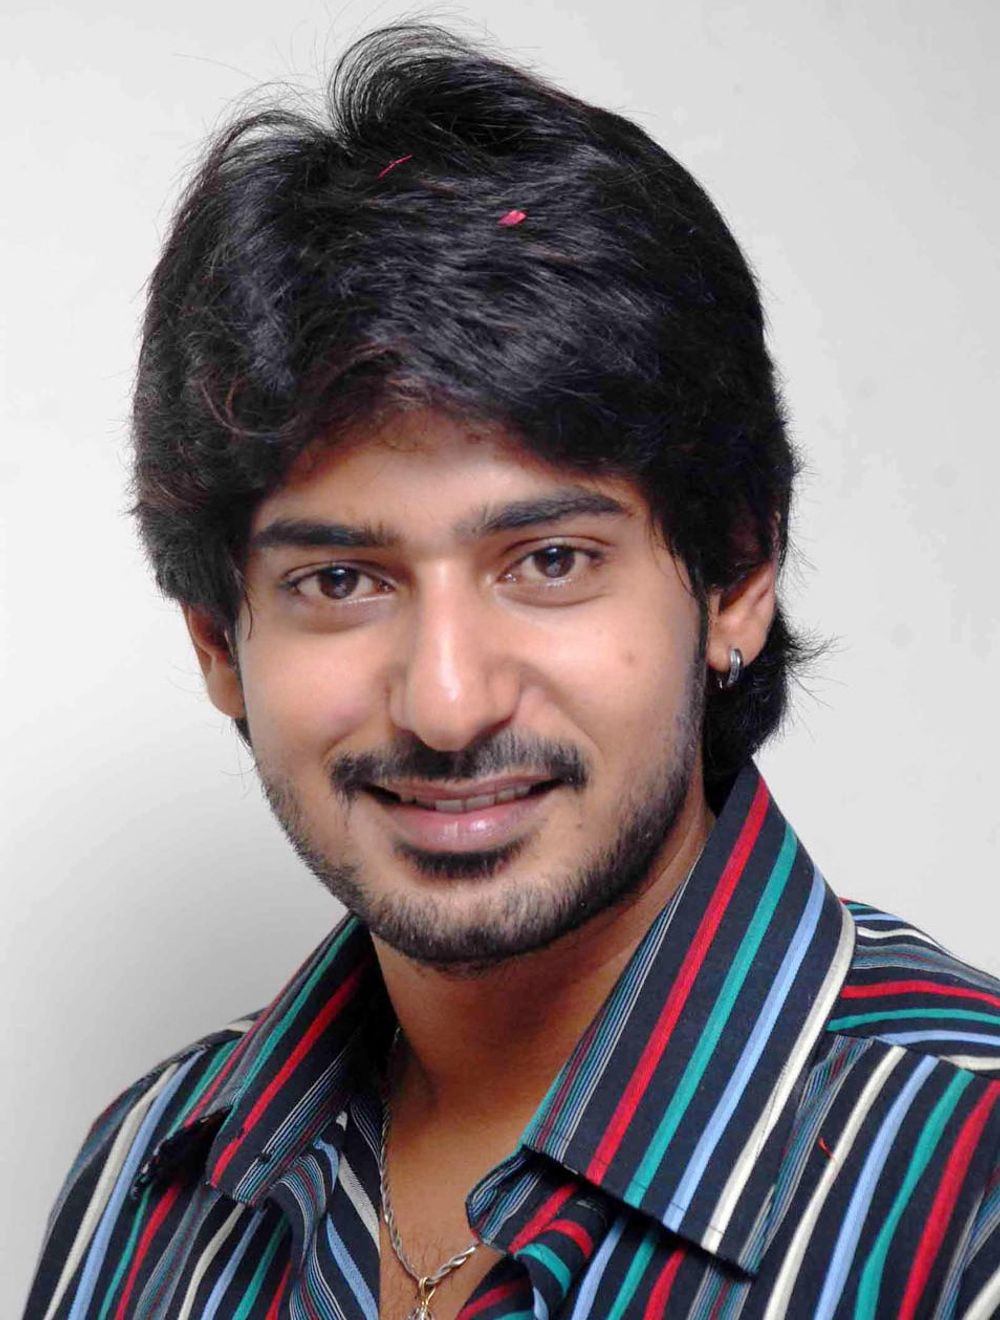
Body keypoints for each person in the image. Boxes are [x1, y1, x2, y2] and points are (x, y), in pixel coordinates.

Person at [24, 24, 1000, 1320]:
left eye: (548, 562)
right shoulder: (143, 1190)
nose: (447, 703)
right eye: (341, 581)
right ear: (218, 641)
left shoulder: (968, 1185)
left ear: (736, 578)